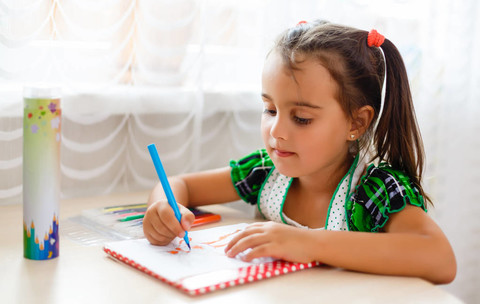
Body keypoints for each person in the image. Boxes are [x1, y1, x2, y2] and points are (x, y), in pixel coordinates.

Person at [143, 20, 456, 284]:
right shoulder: (265, 171)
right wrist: (162, 209)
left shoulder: (375, 191)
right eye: (269, 109)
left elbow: (440, 259)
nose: (277, 131)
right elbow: (179, 185)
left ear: (357, 122)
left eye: (302, 118)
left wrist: (308, 243)